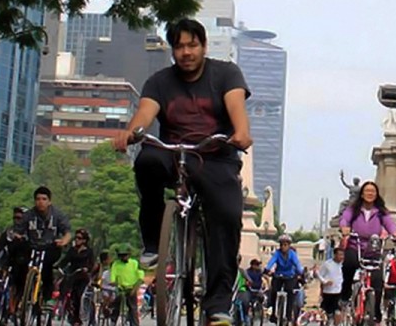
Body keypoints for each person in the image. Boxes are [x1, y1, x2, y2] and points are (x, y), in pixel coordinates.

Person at [113, 18, 252, 326]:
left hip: (214, 156)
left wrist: (241, 132)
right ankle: (153, 242)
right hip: (172, 152)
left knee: (226, 218)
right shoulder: (160, 81)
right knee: (146, 161)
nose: (186, 52)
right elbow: (145, 114)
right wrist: (131, 132)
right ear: (173, 50)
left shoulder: (226, 73)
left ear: (203, 46)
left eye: (192, 45)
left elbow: (236, 108)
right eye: (179, 46)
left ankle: (218, 304)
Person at [339, 180, 396, 325]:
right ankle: (346, 293)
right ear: (361, 194)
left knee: (378, 280)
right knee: (349, 264)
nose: (370, 194)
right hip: (356, 245)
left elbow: (389, 223)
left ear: (377, 194)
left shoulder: (380, 211)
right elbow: (345, 219)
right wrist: (344, 228)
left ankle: (376, 309)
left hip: (373, 248)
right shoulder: (353, 209)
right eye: (367, 191)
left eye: (372, 191)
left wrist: (395, 232)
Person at [14, 186, 72, 302]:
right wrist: (17, 236)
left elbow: (67, 232)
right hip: (32, 247)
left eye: (44, 199)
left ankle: (47, 297)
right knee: (20, 266)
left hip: (50, 247)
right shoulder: (29, 215)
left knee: (47, 268)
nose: (41, 202)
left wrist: (64, 241)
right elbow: (17, 230)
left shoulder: (57, 215)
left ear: (49, 201)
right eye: (38, 199)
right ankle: (21, 294)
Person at [58, 228, 96, 326]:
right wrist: (58, 266)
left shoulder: (89, 251)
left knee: (78, 295)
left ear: (84, 240)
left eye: (79, 238)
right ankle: (62, 308)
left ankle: (78, 319)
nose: (77, 240)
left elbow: (91, 264)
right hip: (71, 275)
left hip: (82, 277)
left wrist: (87, 269)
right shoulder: (72, 250)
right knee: (63, 289)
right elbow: (65, 260)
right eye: (76, 238)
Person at [265, 234, 304, 324]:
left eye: (285, 245)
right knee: (273, 291)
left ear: (289, 245)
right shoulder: (277, 253)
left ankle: (288, 314)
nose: (283, 247)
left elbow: (297, 264)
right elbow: (271, 262)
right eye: (281, 244)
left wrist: (301, 272)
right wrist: (267, 269)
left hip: (290, 276)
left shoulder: (292, 254)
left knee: (290, 291)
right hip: (278, 275)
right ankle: (273, 313)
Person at [110, 244, 144, 326]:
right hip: (120, 288)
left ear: (129, 254)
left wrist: (135, 289)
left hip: (132, 287)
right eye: (121, 255)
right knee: (116, 305)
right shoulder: (115, 264)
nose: (123, 257)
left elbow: (140, 277)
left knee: (133, 308)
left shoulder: (135, 263)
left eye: (125, 255)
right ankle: (113, 321)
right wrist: (114, 283)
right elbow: (113, 278)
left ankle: (135, 324)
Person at [318, 247, 344, 325]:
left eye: (342, 255)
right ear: (335, 255)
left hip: (338, 292)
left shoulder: (343, 265)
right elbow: (319, 275)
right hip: (328, 292)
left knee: (338, 312)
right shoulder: (327, 264)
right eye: (339, 255)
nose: (341, 257)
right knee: (326, 313)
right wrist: (325, 282)